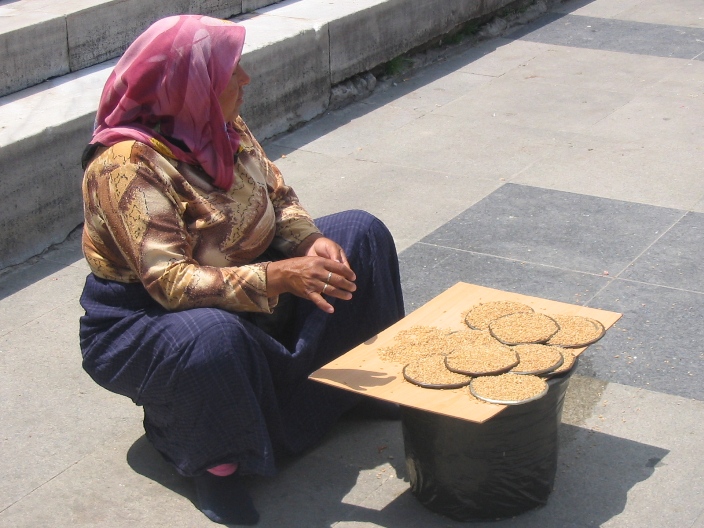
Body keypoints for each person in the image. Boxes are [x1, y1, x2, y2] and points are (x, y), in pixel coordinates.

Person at [78, 15, 405, 526]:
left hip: (248, 275)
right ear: (190, 87)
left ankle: (351, 390)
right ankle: (218, 466)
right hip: (149, 316)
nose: (245, 80)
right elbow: (170, 283)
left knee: (360, 235)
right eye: (232, 71)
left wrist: (310, 241)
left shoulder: (220, 125)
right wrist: (277, 277)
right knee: (210, 336)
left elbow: (278, 196)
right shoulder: (124, 166)